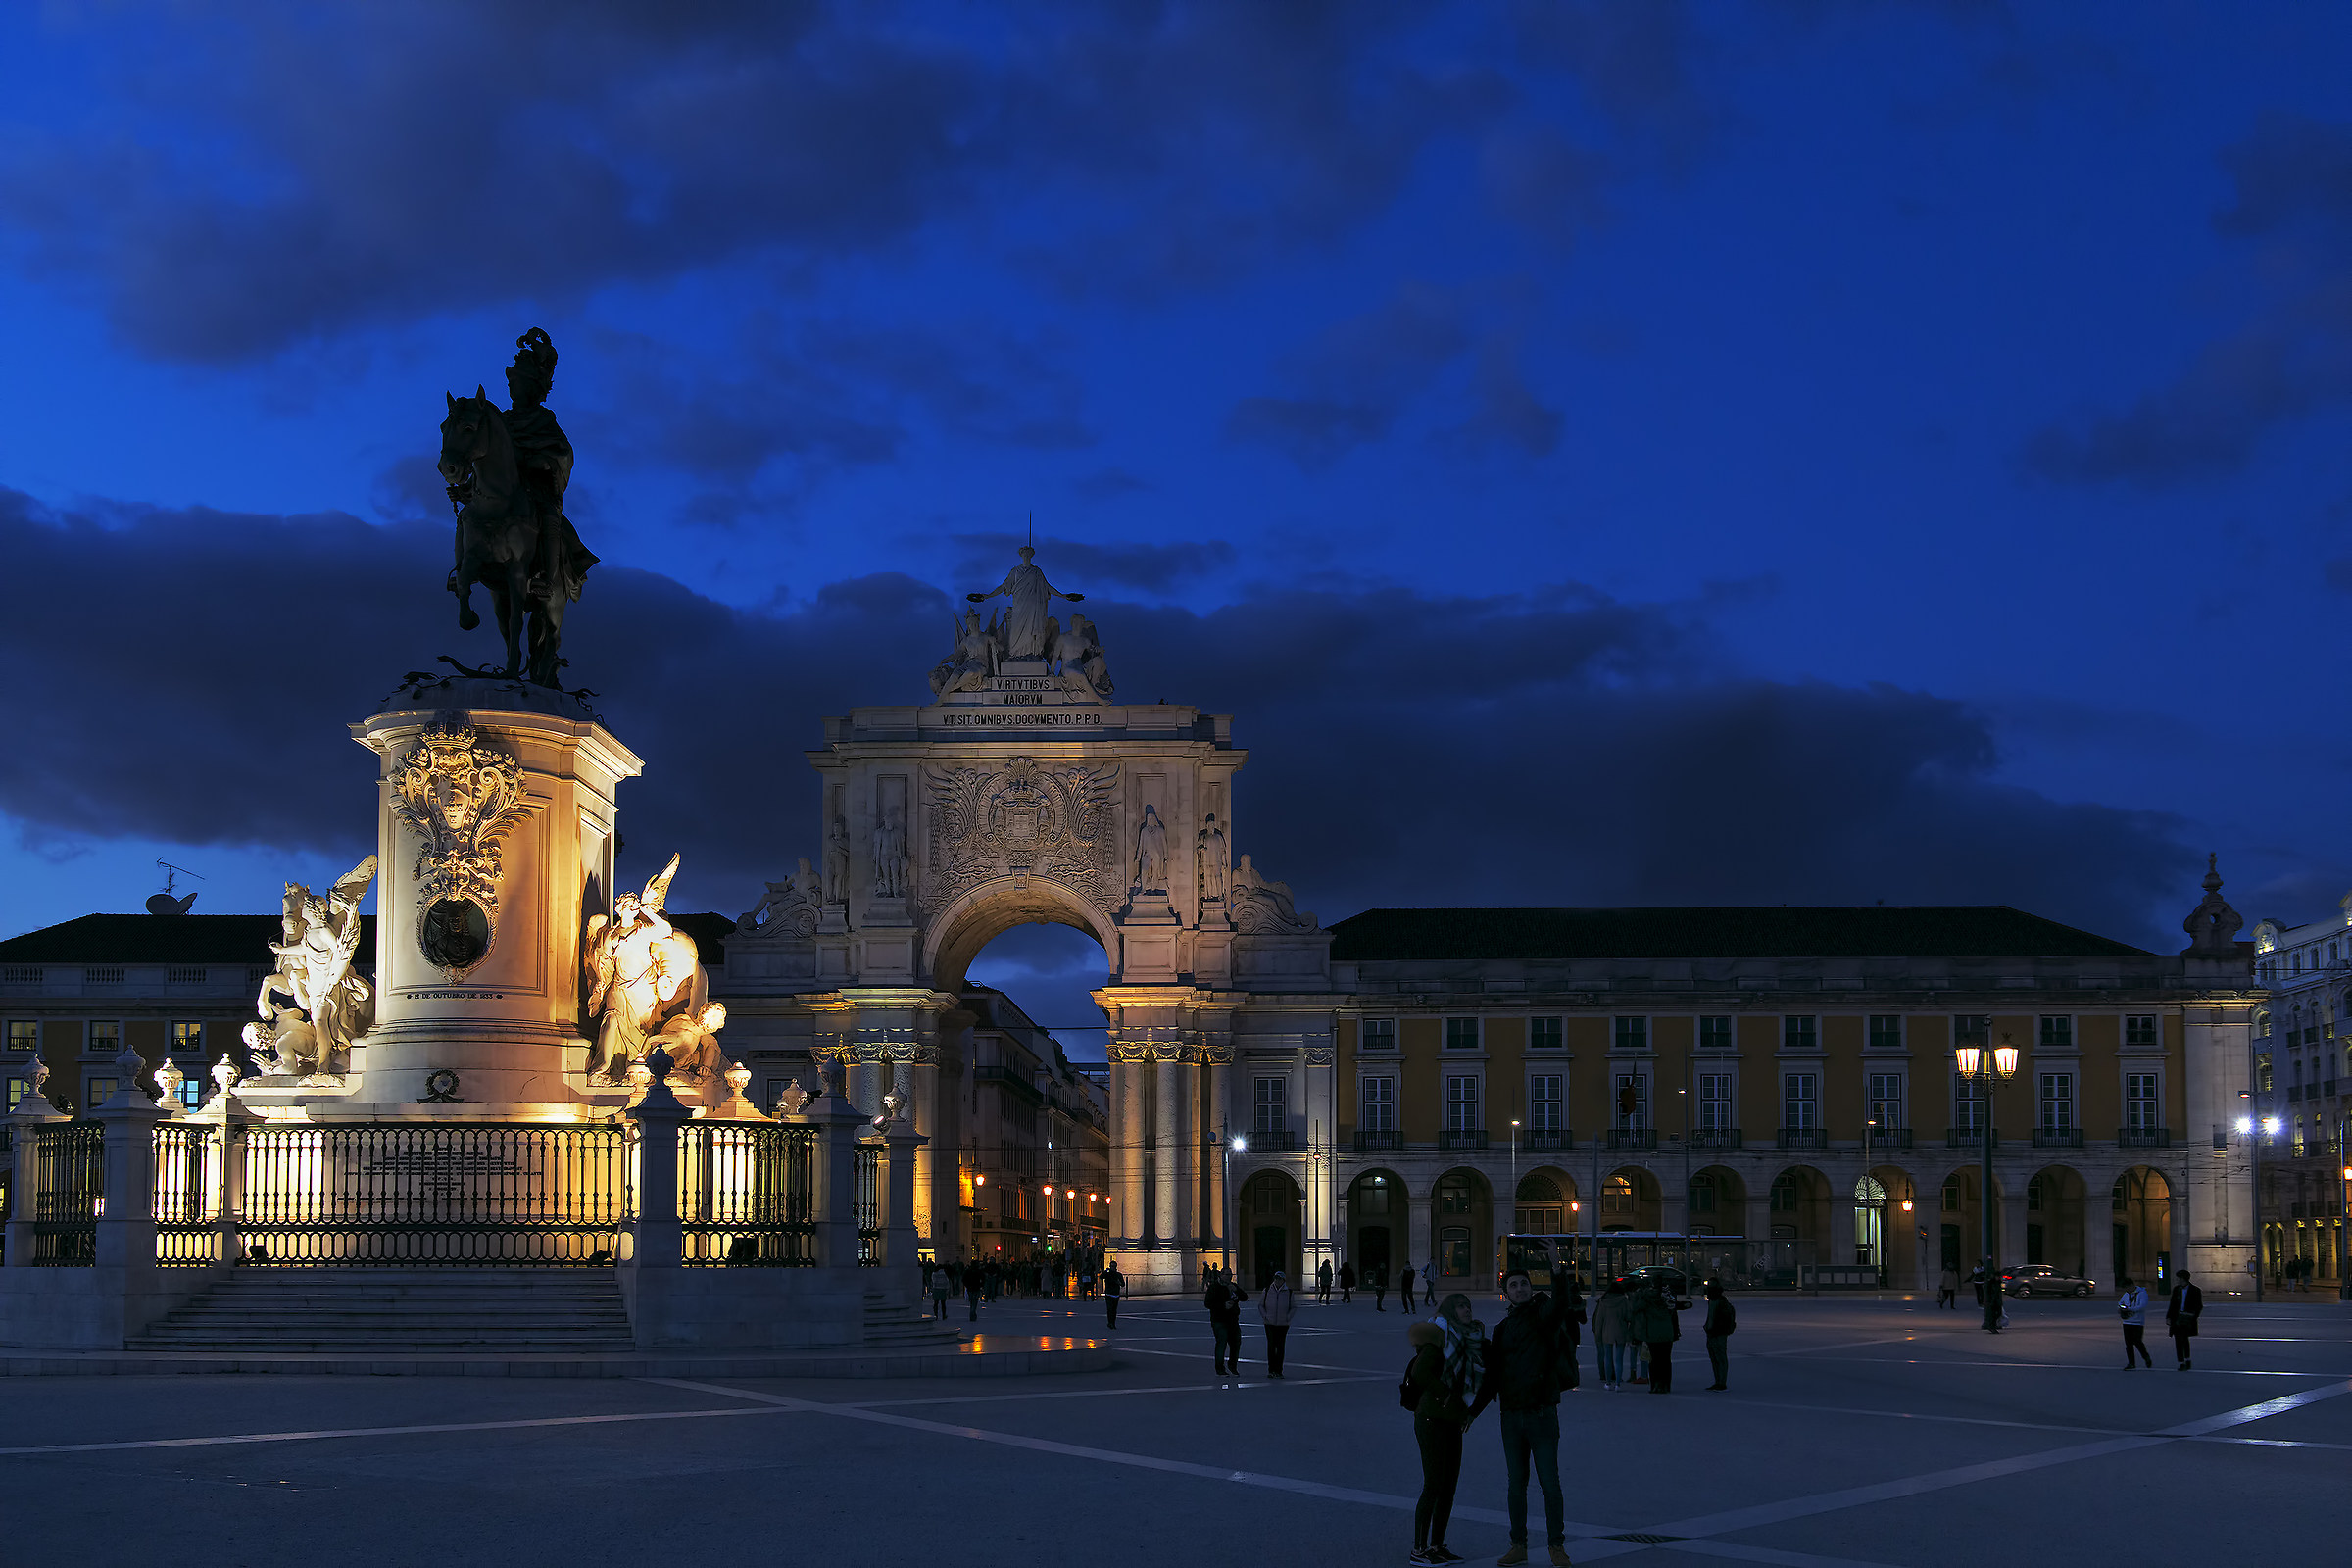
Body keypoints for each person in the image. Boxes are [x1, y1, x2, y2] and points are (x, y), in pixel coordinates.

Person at [1467, 1259, 1576, 1567]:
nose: (1519, 1288)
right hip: (1511, 1417)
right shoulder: (1501, 1330)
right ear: (1506, 1293)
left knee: (1550, 1485)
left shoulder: (1544, 1316)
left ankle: (1557, 1546)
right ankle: (1519, 1544)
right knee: (1516, 1485)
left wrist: (1557, 1269)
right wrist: (1473, 1411)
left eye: (1523, 1284)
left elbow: (1561, 1304)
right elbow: (1493, 1376)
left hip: (1542, 1415)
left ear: (1531, 1288)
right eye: (1513, 1285)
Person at [1406, 1294, 1485, 1567]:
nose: (1467, 1310)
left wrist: (1467, 1410)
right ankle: (1419, 1548)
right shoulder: (1440, 1338)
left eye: (1469, 1306)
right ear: (1451, 1311)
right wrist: (1445, 1394)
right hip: (1430, 1418)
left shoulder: (1471, 1341)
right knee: (1433, 1484)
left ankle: (1437, 1545)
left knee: (1449, 1487)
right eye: (1462, 1306)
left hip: (1452, 1420)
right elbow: (1419, 1373)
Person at [1630, 1276, 1683, 1393]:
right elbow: (1674, 1314)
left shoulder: (1646, 1298)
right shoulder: (1669, 1298)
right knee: (1665, 1360)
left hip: (1652, 1332)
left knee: (1654, 1360)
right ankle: (1665, 1385)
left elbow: (1635, 1309)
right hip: (1667, 1332)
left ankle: (1655, 1385)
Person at [1592, 1279, 1634, 1391]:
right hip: (1621, 1331)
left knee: (1608, 1357)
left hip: (1607, 1332)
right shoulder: (1623, 1300)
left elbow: (1599, 1320)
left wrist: (1598, 1335)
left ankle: (1608, 1382)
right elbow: (1629, 1316)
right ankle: (1618, 1383)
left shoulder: (1603, 1302)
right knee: (1619, 1358)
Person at [1259, 1269, 1297, 1377]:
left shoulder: (1288, 1292)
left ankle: (1279, 1370)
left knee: (1280, 1347)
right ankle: (1271, 1370)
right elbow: (1261, 1305)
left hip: (1283, 1324)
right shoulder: (1267, 1290)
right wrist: (1265, 1316)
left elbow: (1293, 1307)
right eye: (1276, 1278)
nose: (1277, 1281)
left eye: (1279, 1279)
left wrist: (1288, 1317)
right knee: (1271, 1346)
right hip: (1269, 1323)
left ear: (1283, 1280)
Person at [1701, 1280, 1736, 1391]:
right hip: (1714, 1332)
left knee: (1719, 1358)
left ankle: (1720, 1381)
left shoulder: (1719, 1302)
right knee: (1717, 1358)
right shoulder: (1716, 1301)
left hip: (1717, 1332)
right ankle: (1719, 1381)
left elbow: (1717, 1318)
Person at [2165, 1269, 2202, 1370]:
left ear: (2183, 1279)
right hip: (2177, 1318)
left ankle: (2187, 1359)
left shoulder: (2195, 1290)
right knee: (2178, 1339)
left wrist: (2193, 1317)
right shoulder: (2176, 1289)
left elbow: (2199, 1306)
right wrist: (2168, 1317)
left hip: (2187, 1318)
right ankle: (2181, 1361)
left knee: (2184, 1339)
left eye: (2179, 1279)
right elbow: (2172, 1304)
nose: (2177, 1280)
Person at [2117, 1275, 2151, 1368]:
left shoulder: (2142, 1293)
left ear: (2131, 1285)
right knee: (2128, 1344)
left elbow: (2142, 1306)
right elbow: (2120, 1303)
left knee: (2138, 1341)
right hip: (2127, 1322)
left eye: (2127, 1288)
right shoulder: (2126, 1294)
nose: (2126, 1290)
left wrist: (2130, 1309)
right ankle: (2131, 1363)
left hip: (2138, 1322)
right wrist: (2121, 1308)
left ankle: (2146, 1357)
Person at [963, 1257, 984, 1323]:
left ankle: (972, 1312)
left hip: (970, 1288)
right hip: (976, 1287)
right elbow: (983, 1278)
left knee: (972, 1300)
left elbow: (964, 1279)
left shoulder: (968, 1271)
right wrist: (981, 1285)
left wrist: (967, 1285)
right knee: (975, 1301)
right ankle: (973, 1312)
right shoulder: (978, 1271)